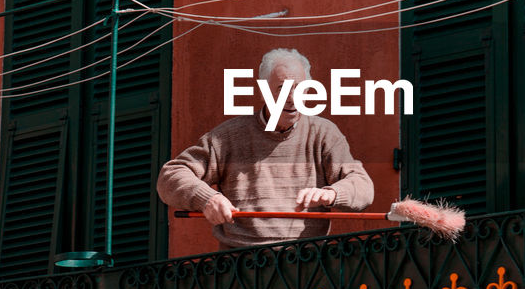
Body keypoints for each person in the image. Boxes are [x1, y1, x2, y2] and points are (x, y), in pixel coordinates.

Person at [157, 48, 374, 248]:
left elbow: (363, 186)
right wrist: (207, 198)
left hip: (307, 263)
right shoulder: (228, 137)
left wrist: (332, 194)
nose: (292, 98)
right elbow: (170, 176)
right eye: (282, 89)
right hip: (242, 264)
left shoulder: (324, 133)